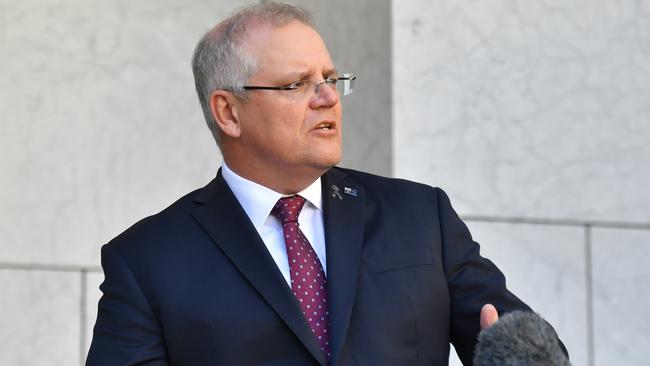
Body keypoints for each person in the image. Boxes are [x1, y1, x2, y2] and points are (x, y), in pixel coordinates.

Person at [86, 1, 541, 365]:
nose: (327, 99)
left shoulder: (421, 217)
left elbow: (524, 341)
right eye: (297, 84)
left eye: (330, 79)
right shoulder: (147, 261)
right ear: (228, 112)